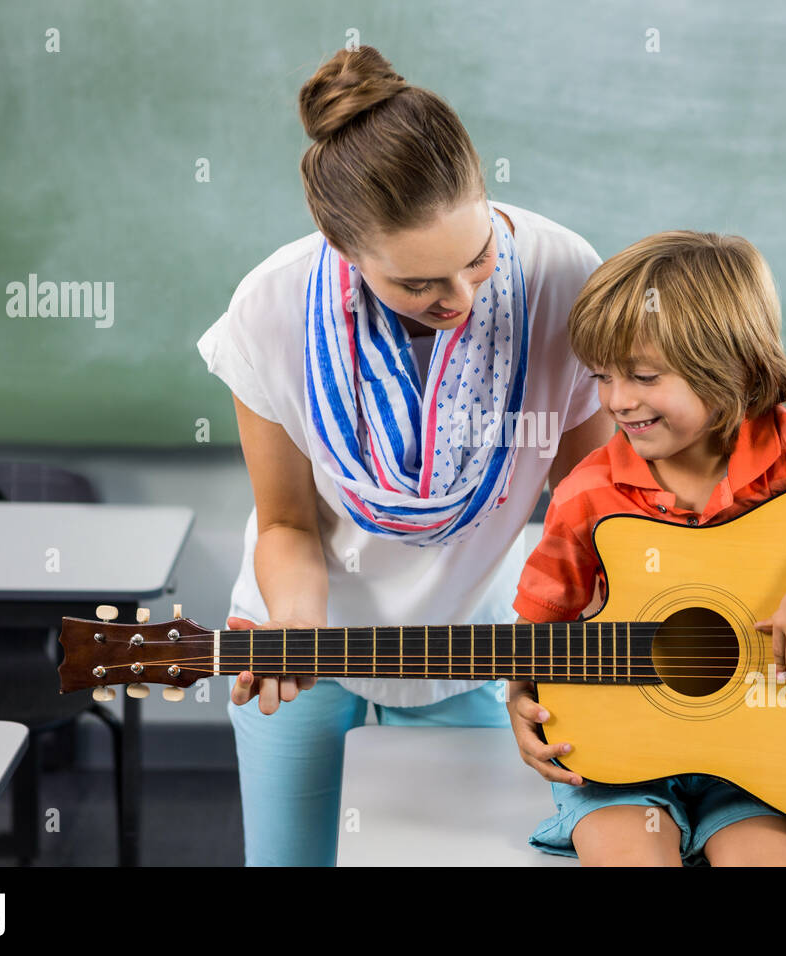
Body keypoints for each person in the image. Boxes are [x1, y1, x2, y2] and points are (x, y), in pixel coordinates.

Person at [195, 45, 614, 865]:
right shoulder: (270, 309)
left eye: (478, 257)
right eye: (419, 284)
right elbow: (285, 523)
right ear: (341, 247)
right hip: (316, 623)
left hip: (479, 639)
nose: (459, 298)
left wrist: (568, 656)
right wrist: (294, 631)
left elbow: (586, 510)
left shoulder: (566, 276)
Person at [507, 230, 786, 866]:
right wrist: (519, 705)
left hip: (778, 757)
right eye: (603, 377)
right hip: (624, 763)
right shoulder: (588, 493)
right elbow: (537, 632)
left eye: (643, 376)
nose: (617, 401)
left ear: (734, 367)